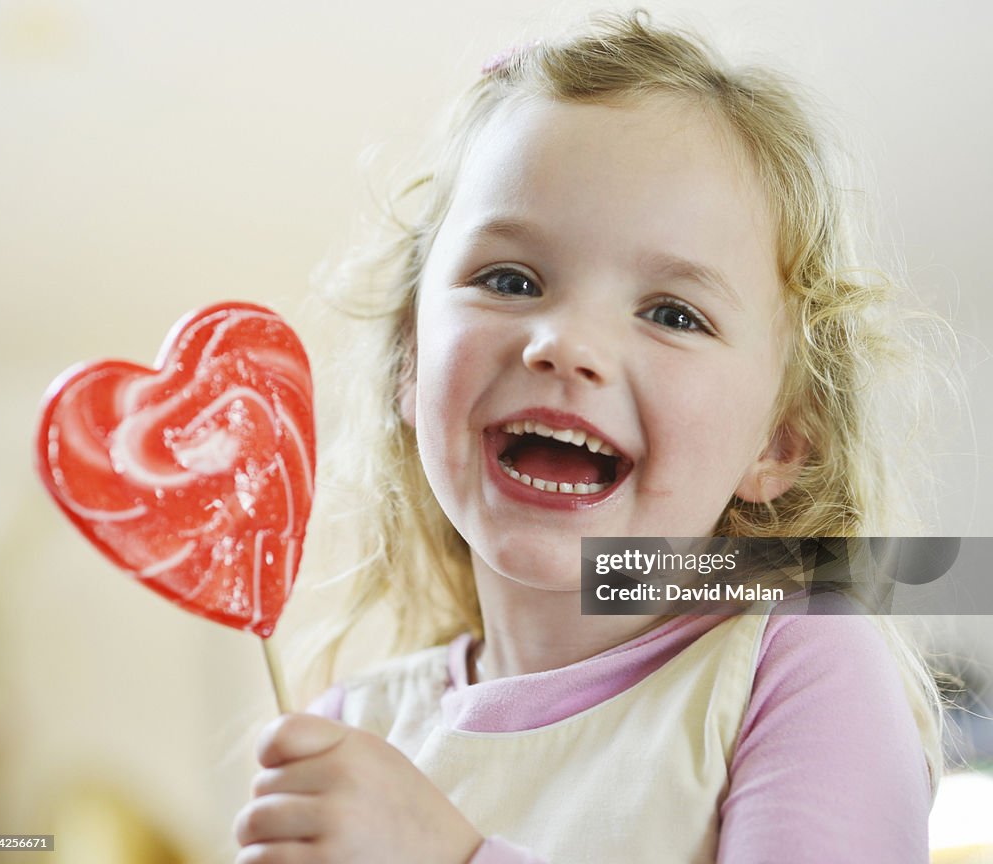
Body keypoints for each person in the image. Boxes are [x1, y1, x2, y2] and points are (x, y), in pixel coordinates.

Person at [233, 10, 946, 863]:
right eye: (509, 278)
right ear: (410, 370)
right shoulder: (348, 732)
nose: (564, 343)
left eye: (672, 313)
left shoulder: (799, 665)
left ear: (780, 443)